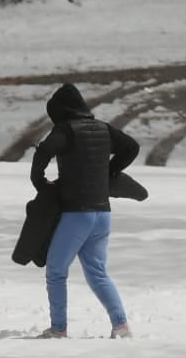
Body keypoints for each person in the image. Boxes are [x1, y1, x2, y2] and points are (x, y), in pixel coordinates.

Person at [29, 83, 139, 339]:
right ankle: (121, 325)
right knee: (98, 272)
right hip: (103, 214)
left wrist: (40, 182)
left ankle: (58, 328)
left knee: (56, 271)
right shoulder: (103, 128)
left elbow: (44, 151)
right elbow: (131, 147)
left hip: (77, 214)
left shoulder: (65, 130)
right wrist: (111, 170)